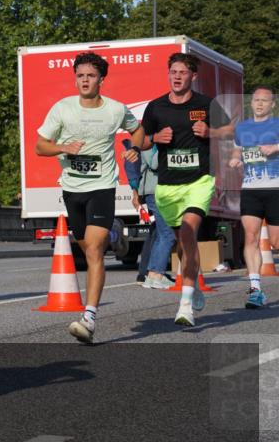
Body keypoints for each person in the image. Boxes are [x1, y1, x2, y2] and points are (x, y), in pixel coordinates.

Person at [35, 52, 143, 343]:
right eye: (80, 75)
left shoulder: (116, 110)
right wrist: (63, 148)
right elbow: (40, 147)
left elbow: (138, 130)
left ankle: (90, 317)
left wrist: (135, 147)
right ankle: (113, 234)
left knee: (93, 251)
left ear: (101, 80)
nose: (85, 80)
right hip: (72, 189)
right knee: (86, 245)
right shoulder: (63, 109)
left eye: (91, 75)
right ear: (75, 78)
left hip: (102, 185)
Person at [140, 52, 234, 326]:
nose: (177, 77)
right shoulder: (156, 107)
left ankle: (184, 307)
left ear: (193, 76)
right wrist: (155, 138)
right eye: (173, 72)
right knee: (183, 245)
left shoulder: (206, 104)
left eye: (182, 72)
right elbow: (141, 141)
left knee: (190, 231)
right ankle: (192, 288)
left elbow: (231, 130)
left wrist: (211, 132)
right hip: (168, 186)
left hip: (198, 182)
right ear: (168, 75)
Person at [228, 84, 279, 309]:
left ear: (272, 104)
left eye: (264, 100)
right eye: (256, 100)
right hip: (250, 188)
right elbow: (237, 151)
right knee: (250, 237)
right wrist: (234, 160)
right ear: (251, 103)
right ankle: (255, 290)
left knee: (276, 242)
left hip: (275, 188)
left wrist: (276, 147)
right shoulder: (242, 128)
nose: (259, 103)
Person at [125, 143, 175, 289]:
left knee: (158, 232)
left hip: (157, 191)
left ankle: (150, 275)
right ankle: (156, 274)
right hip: (155, 191)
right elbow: (154, 163)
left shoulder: (150, 141)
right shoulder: (148, 143)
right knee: (167, 233)